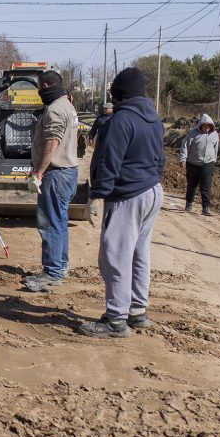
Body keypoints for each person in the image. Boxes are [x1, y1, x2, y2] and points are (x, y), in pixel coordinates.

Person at [78, 67, 165, 339]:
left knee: (115, 255)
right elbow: (160, 159)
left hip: (128, 195)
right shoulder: (153, 119)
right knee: (139, 254)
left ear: (119, 93)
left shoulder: (122, 121)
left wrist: (96, 195)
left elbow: (109, 161)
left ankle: (116, 318)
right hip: (151, 191)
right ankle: (137, 310)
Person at [23, 70, 81, 292]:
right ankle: (60, 266)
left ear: (45, 85)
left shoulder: (56, 109)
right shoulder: (67, 105)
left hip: (56, 174)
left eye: (39, 87)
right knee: (60, 222)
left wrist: (38, 172)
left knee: (49, 223)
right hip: (68, 172)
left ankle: (52, 272)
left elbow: (52, 142)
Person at [179, 113, 219, 216]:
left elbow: (216, 148)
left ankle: (206, 207)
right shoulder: (193, 134)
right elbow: (185, 146)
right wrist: (183, 159)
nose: (207, 128)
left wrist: (214, 159)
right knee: (192, 185)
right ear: (201, 125)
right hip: (193, 163)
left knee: (206, 186)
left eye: (209, 126)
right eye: (205, 125)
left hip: (208, 163)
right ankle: (189, 202)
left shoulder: (214, 135)